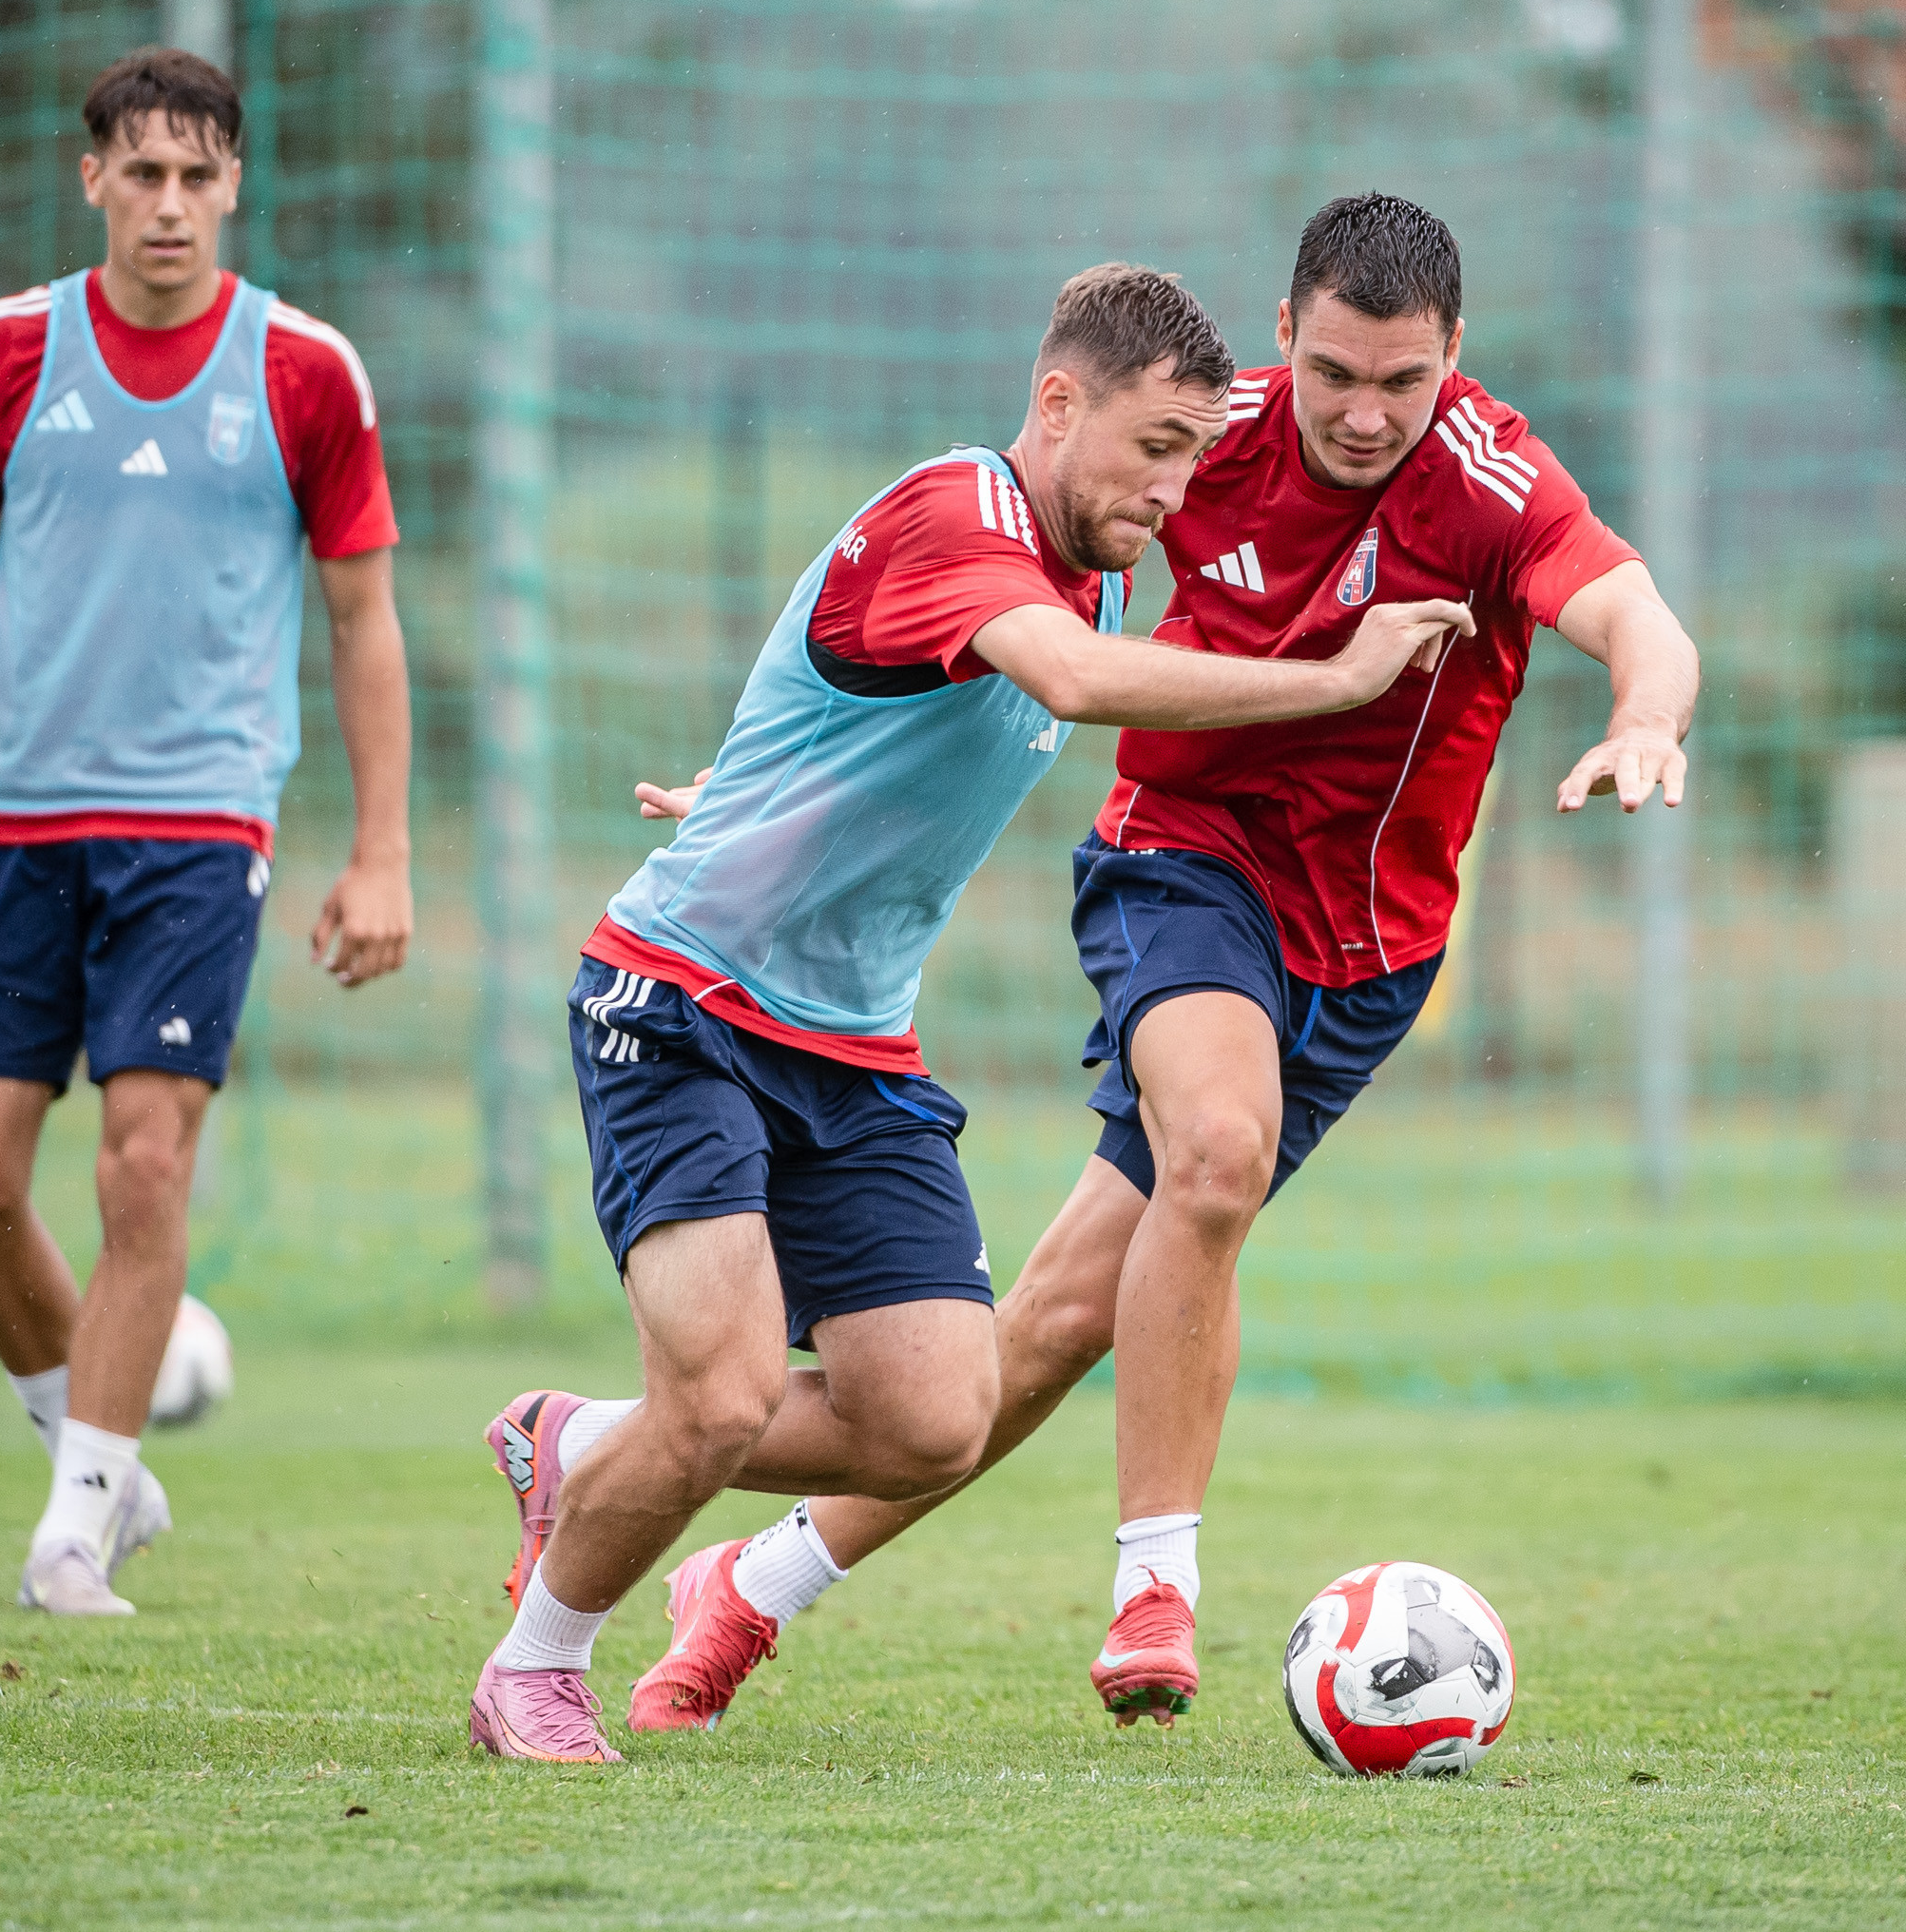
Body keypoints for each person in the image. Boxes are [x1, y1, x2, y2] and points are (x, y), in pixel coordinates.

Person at [527, 193, 1700, 1736]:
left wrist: (1645, 716)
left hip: (1370, 953)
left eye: (1402, 381)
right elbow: (1018, 591)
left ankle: (747, 1579)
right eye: (1333, 372)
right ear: (1284, 335)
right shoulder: (1197, 436)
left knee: (1060, 1318)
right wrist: (772, 785)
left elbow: (1635, 612)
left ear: (1453, 355)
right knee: (1215, 1150)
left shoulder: (1487, 477)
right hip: (1188, 865)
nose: (1363, 414)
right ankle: (1157, 1581)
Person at [0, 47, 414, 1619]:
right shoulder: (4, 350)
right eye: (143, 171)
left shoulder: (306, 369)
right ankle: (99, 1452)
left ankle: (74, 1528)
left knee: (145, 1158)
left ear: (233, 186)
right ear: (93, 177)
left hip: (198, 821)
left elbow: (363, 621)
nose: (169, 203)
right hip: (15, 818)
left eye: (197, 174)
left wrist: (381, 851)